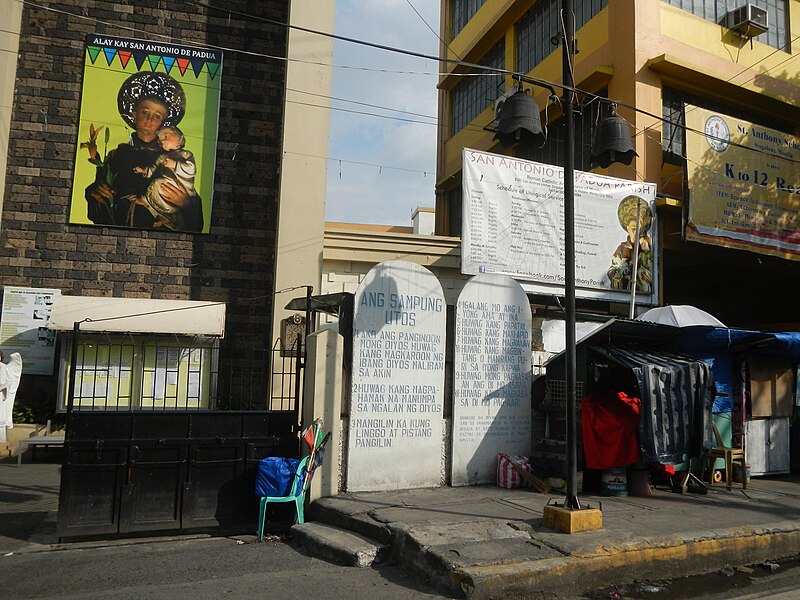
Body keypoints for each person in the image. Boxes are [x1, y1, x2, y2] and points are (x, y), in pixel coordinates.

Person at [83, 72, 203, 232]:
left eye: (157, 116)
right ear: (134, 114)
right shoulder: (117, 155)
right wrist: (97, 193)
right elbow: (101, 193)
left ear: (164, 123)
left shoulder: (173, 157)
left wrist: (187, 204)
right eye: (145, 112)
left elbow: (192, 204)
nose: (149, 120)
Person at [132, 126, 197, 230]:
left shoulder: (185, 154)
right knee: (155, 187)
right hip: (164, 184)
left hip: (180, 187)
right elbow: (153, 170)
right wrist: (144, 171)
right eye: (161, 141)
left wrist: (175, 165)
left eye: (166, 136)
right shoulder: (162, 157)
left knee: (164, 194)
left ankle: (171, 221)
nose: (163, 141)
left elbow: (191, 169)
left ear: (179, 137)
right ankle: (152, 208)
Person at [606, 195, 653, 293]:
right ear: (627, 228)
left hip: (643, 292)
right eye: (633, 229)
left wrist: (646, 252)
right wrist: (617, 274)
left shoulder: (647, 245)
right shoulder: (622, 248)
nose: (636, 232)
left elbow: (653, 268)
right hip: (626, 291)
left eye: (639, 229)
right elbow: (613, 269)